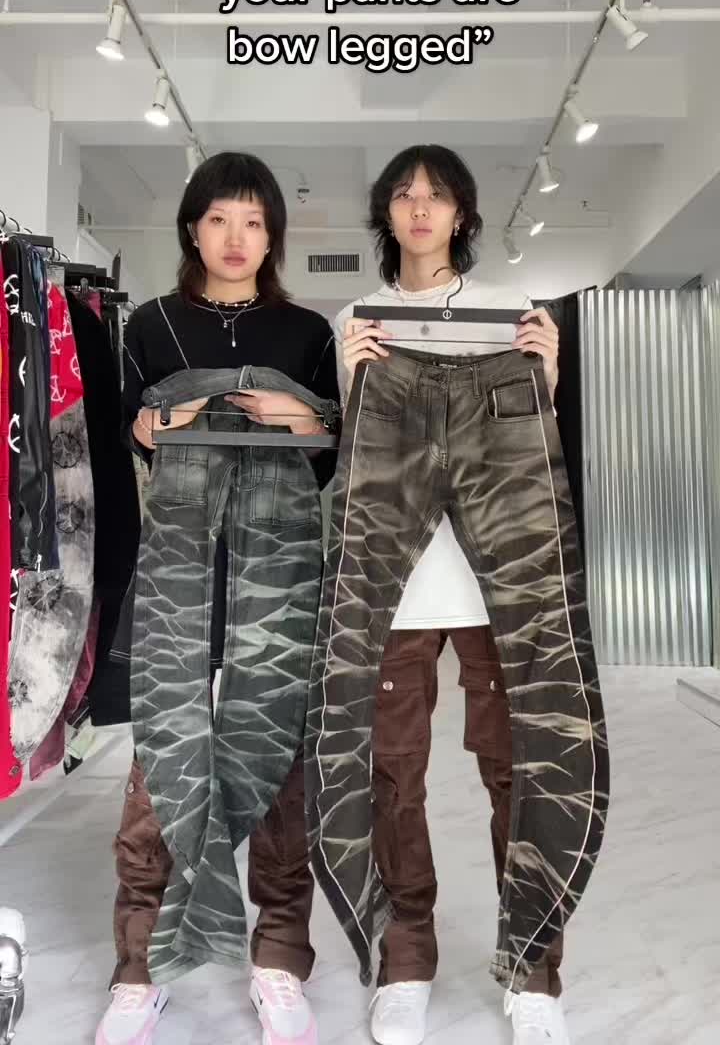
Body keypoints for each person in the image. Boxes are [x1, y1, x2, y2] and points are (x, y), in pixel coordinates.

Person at [96, 152, 339, 1045]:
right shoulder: (151, 325)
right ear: (192, 228)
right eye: (219, 219)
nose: (236, 238)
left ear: (273, 237)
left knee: (277, 755)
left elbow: (331, 453)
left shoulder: (307, 332)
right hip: (179, 564)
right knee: (161, 753)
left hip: (278, 567)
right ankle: (140, 966)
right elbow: (130, 432)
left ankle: (278, 960)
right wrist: (162, 422)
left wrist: (301, 418)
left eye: (254, 222)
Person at [334, 146, 569, 1045]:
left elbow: (534, 458)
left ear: (463, 213)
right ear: (387, 214)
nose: (421, 209)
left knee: (519, 766)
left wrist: (544, 382)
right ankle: (407, 958)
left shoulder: (511, 315)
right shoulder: (358, 321)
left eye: (436, 196)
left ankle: (533, 966)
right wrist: (353, 379)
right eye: (404, 195)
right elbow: (350, 466)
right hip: (395, 587)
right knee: (393, 772)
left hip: (497, 585)